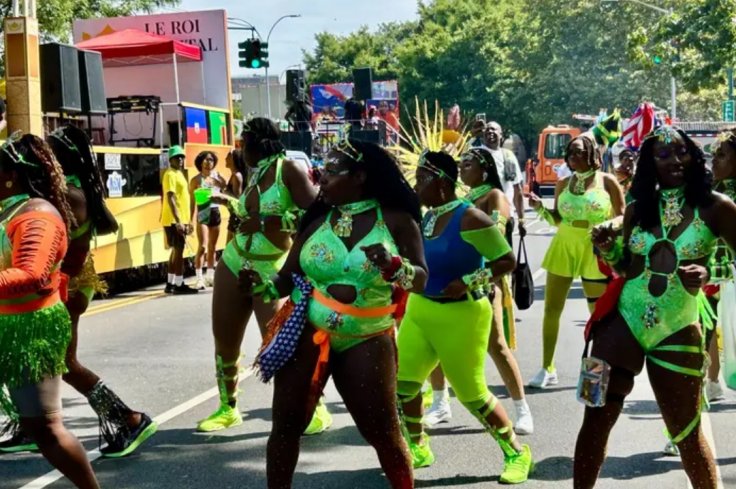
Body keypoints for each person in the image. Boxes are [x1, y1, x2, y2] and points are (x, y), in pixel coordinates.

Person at [241, 138, 427, 489]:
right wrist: (262, 285)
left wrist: (393, 266)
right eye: (320, 170)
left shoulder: (396, 221)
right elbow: (287, 277)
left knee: (383, 435)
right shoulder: (317, 220)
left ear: (359, 177)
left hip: (368, 337)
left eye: (331, 171)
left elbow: (420, 278)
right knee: (285, 428)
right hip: (309, 330)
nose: (320, 178)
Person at [574, 126, 736, 489]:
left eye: (681, 151)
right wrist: (607, 248)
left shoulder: (717, 207)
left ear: (694, 155)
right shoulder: (636, 208)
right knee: (593, 417)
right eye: (662, 155)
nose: (674, 160)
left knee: (687, 434)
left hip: (678, 327)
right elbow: (625, 268)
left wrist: (711, 270)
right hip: (618, 324)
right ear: (649, 164)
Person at [396, 150, 532, 484]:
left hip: (463, 314)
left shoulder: (470, 217)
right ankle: (418, 447)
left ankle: (517, 453)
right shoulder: (426, 218)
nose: (416, 186)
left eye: (421, 179)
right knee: (403, 385)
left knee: (472, 394)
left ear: (440, 182)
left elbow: (506, 262)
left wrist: (469, 282)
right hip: (420, 310)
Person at [196, 118, 320, 434]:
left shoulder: (287, 169)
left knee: (281, 346)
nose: (240, 150)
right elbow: (250, 214)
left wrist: (267, 223)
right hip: (236, 261)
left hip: (272, 268)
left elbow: (317, 213)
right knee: (225, 341)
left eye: (242, 143)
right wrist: (234, 212)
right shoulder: (255, 172)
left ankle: (310, 409)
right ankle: (228, 407)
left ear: (255, 142)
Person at [0, 133, 99, 488]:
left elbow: (32, 274)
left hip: (29, 331)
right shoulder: (9, 211)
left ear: (10, 174)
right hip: (6, 324)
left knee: (46, 429)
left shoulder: (37, 215)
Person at [527, 134, 625, 388]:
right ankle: (547, 367)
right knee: (550, 310)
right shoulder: (562, 184)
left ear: (592, 154)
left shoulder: (608, 181)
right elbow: (558, 220)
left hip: (595, 250)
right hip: (564, 246)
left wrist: (606, 226)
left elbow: (624, 217)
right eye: (570, 153)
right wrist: (539, 209)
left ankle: (597, 370)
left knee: (598, 315)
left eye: (579, 152)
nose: (574, 157)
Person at [483, 121, 526, 244]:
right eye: (487, 130)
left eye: (493, 129)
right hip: (482, 216)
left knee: (504, 258)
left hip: (505, 216)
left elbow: (517, 190)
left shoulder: (508, 156)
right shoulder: (477, 153)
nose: (490, 132)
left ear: (501, 135)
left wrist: (521, 219)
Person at [189, 150, 227, 289]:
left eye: (211, 160)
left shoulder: (217, 176)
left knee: (213, 247)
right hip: (203, 211)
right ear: (200, 162)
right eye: (205, 159)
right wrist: (190, 219)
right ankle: (199, 277)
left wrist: (219, 181)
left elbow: (226, 188)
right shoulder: (196, 180)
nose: (208, 162)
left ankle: (210, 275)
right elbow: (192, 201)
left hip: (215, 211)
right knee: (203, 246)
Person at [162, 145, 197, 294]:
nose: (181, 159)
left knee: (175, 252)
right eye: (177, 157)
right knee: (179, 252)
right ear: (171, 160)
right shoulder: (170, 174)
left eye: (182, 157)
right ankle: (179, 283)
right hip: (173, 220)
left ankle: (170, 283)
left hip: (179, 219)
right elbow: (171, 198)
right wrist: (178, 221)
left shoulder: (179, 174)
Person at [225, 148, 245, 243]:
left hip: (237, 217)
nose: (225, 158)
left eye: (228, 156)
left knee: (230, 248)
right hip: (234, 216)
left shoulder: (237, 175)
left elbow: (237, 199)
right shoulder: (234, 175)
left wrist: (222, 189)